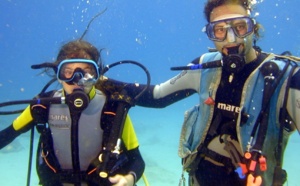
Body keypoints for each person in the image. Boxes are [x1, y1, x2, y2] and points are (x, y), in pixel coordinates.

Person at [97, 0, 300, 185]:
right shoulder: (205, 68)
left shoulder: (286, 79)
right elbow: (157, 96)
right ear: (210, 35)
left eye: (240, 27)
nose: (231, 38)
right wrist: (103, 83)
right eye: (219, 30)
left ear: (253, 28)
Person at [0, 40, 145, 186]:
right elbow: (6, 135)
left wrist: (128, 180)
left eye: (86, 72)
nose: (77, 81)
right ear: (58, 74)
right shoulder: (43, 106)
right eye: (68, 72)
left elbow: (137, 160)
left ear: (97, 75)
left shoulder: (113, 110)